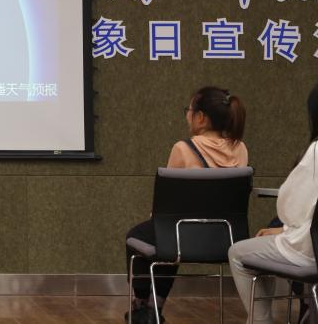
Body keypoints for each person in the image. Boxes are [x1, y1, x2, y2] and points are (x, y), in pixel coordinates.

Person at [125, 86, 249, 324]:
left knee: (148, 235)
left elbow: (165, 207)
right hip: (226, 239)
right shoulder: (240, 148)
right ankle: (152, 307)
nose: (187, 116)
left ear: (201, 117)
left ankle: (144, 307)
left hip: (183, 237)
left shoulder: (183, 148)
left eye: (189, 110)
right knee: (167, 235)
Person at [228, 83, 318, 324]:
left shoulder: (316, 152)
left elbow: (292, 208)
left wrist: (284, 230)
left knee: (237, 253)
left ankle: (261, 321)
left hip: (310, 252)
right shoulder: (240, 149)